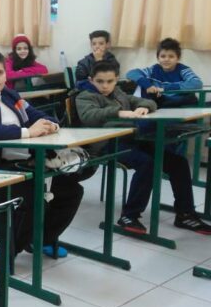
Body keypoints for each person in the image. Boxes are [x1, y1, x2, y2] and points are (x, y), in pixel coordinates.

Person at [0, 49, 84, 267]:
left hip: (22, 163)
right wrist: (28, 132)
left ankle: (41, 240)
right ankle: (7, 251)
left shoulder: (11, 96)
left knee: (72, 190)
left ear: (6, 75)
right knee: (31, 196)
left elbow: (38, 116)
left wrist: (51, 125)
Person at [76, 61, 211, 235]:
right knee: (147, 163)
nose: (105, 86)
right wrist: (118, 112)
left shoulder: (118, 93)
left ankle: (185, 214)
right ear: (91, 80)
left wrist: (143, 107)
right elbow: (89, 116)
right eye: (100, 81)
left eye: (109, 81)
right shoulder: (85, 96)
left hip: (130, 140)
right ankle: (129, 215)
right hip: (105, 144)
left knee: (178, 162)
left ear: (116, 79)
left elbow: (147, 101)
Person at [126, 37, 202, 108]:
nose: (166, 59)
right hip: (161, 102)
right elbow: (131, 73)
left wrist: (165, 88)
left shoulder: (183, 70)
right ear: (158, 58)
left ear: (177, 58)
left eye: (171, 56)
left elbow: (197, 83)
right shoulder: (154, 69)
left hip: (180, 103)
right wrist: (147, 85)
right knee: (145, 91)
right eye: (163, 56)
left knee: (190, 98)